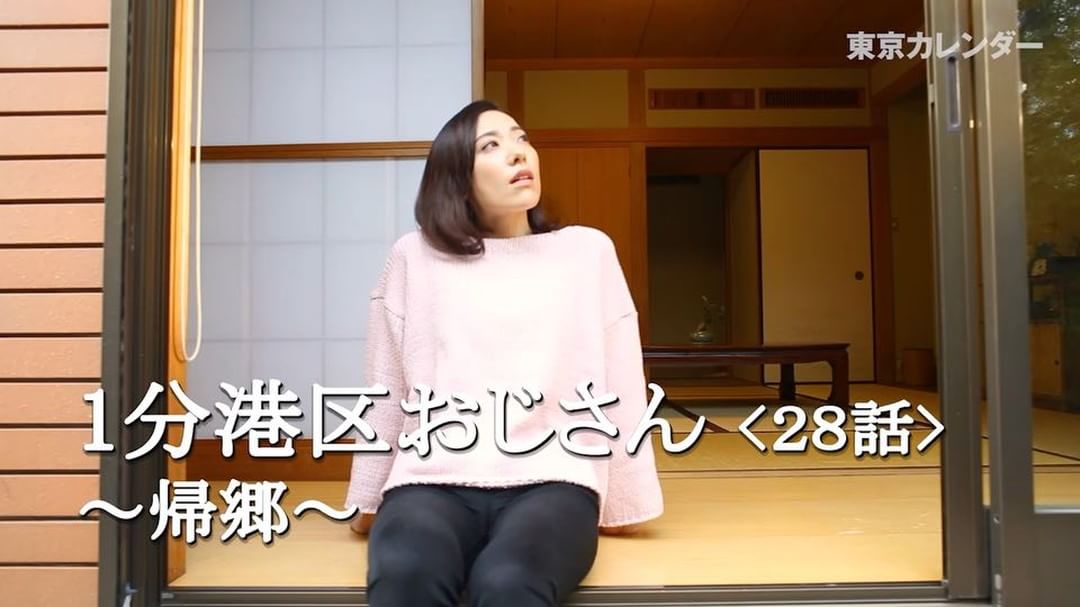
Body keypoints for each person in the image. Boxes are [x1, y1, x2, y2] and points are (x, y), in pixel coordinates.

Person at [344, 99, 664, 607]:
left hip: (555, 479)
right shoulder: (413, 255)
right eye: (491, 146)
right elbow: (386, 384)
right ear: (456, 179)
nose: (519, 153)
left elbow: (622, 380)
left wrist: (628, 500)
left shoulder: (587, 251)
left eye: (521, 139)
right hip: (430, 479)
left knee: (509, 581)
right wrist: (366, 496)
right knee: (406, 573)